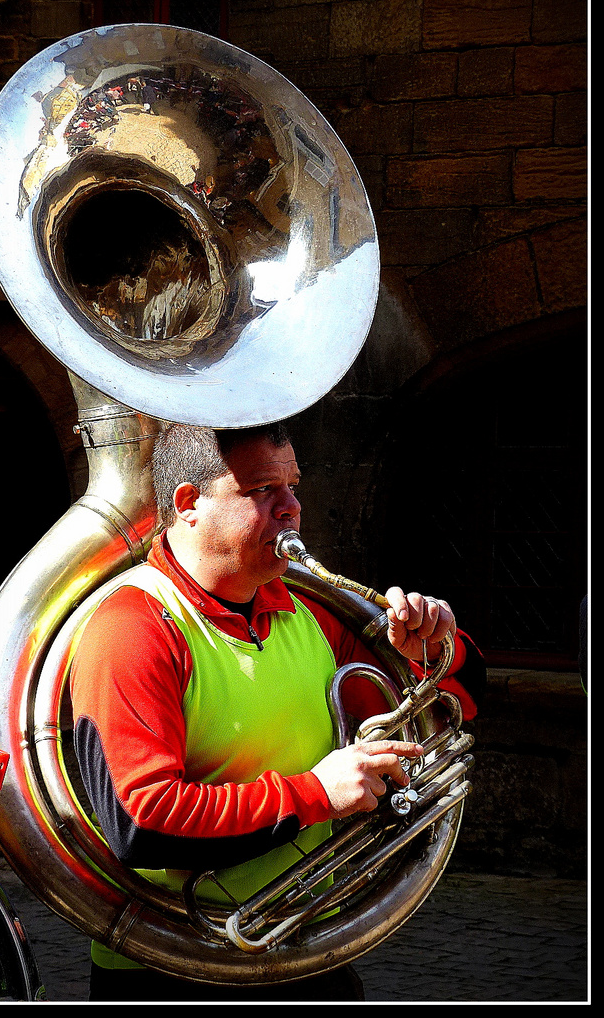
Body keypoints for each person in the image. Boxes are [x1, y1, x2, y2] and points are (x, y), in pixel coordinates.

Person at [70, 422, 482, 1002]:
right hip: (172, 970)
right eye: (263, 491)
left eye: (293, 486)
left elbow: (458, 700)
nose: (291, 509)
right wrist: (316, 794)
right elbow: (143, 823)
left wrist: (431, 647)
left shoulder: (308, 607)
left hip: (306, 953)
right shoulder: (133, 627)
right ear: (188, 505)